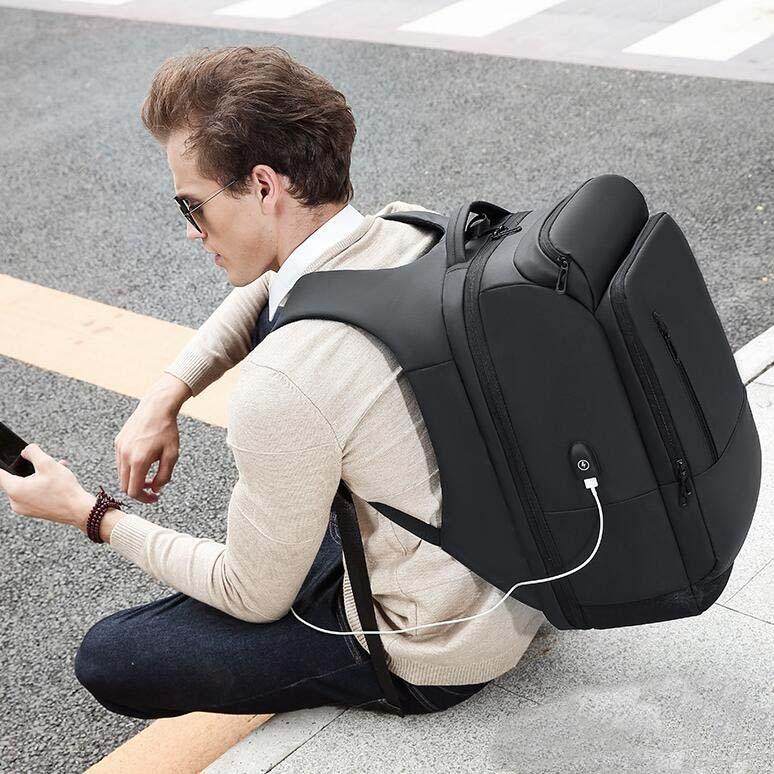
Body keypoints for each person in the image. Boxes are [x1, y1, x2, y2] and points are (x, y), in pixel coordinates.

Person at [2, 45, 545, 719]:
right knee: (285, 515)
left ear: (264, 187)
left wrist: (90, 513)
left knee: (116, 655)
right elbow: (270, 291)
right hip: (518, 578)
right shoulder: (414, 230)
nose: (193, 233)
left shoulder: (287, 377)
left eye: (193, 207)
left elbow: (251, 595)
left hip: (432, 646)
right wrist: (167, 394)